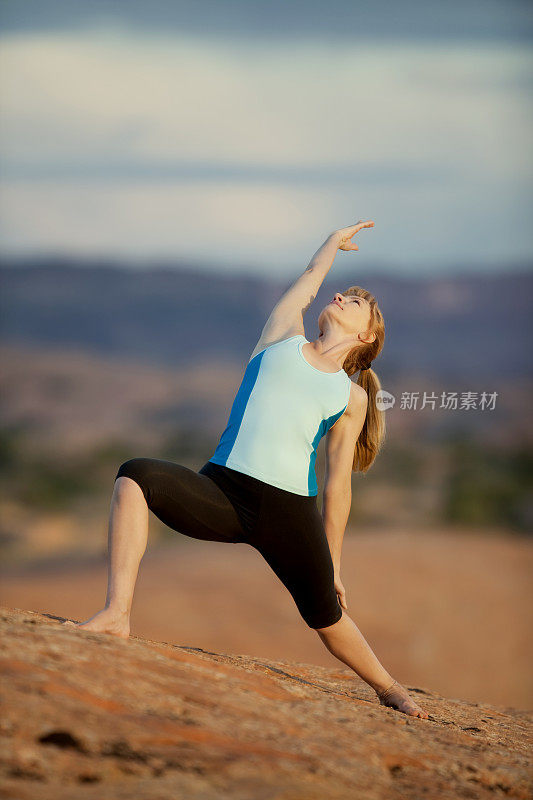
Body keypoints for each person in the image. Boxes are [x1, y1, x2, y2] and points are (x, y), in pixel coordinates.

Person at [66, 220, 429, 720]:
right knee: (134, 476)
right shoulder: (282, 335)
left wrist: (334, 562)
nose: (343, 296)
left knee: (327, 617)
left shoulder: (352, 397)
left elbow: (338, 487)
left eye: (357, 301)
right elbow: (309, 277)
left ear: (367, 335)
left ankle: (391, 689)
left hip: (288, 511)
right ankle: (117, 614)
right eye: (345, 291)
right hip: (222, 490)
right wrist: (330, 243)